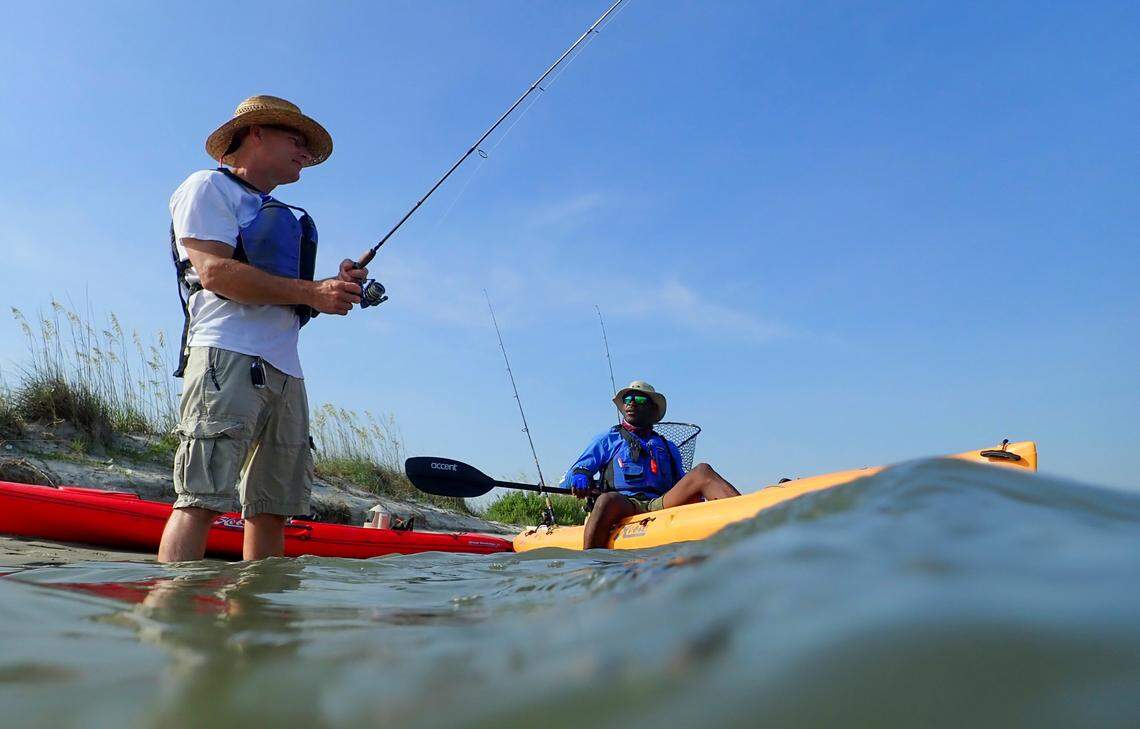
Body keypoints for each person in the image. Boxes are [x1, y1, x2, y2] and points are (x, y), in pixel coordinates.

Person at [158, 95, 368, 562]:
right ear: (256, 133)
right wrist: (314, 292)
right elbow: (215, 272)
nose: (306, 154)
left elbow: (288, 292)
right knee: (200, 498)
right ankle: (171, 620)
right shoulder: (206, 188)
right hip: (226, 356)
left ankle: (257, 625)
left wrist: (332, 288)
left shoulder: (276, 211)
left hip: (286, 371)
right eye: (297, 140)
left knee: (272, 510)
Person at [561, 381, 740, 549]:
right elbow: (572, 475)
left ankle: (748, 520)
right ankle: (592, 565)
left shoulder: (667, 446)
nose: (631, 403)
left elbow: (682, 482)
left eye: (639, 399)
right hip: (625, 503)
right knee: (606, 500)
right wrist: (580, 476)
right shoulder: (608, 439)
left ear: (652, 409)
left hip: (659, 503)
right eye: (627, 399)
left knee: (703, 471)